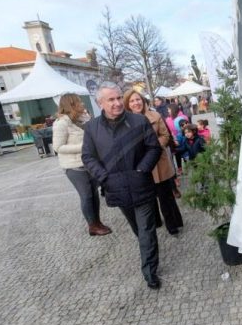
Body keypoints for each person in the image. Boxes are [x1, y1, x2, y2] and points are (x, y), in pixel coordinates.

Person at [82, 82, 163, 290]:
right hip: (115, 187)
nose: (117, 103)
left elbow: (153, 148)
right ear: (100, 103)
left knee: (146, 229)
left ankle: (150, 272)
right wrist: (104, 177)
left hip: (141, 184)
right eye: (111, 99)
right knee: (138, 229)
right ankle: (148, 250)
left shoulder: (138, 121)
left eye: (119, 98)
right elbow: (88, 157)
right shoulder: (92, 128)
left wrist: (142, 170)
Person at [124, 90, 184, 236]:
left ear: (143, 100)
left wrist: (153, 147)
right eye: (132, 101)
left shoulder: (155, 115)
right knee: (148, 197)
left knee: (166, 196)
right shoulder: (125, 122)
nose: (136, 103)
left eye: (138, 99)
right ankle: (156, 221)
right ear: (127, 104)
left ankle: (173, 224)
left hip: (159, 161)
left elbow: (165, 135)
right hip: (141, 164)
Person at [52, 93, 111, 236]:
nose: (83, 104)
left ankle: (97, 222)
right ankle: (92, 226)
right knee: (86, 196)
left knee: (94, 194)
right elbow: (57, 147)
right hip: (74, 166)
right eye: (79, 102)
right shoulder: (61, 123)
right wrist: (84, 146)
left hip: (89, 163)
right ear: (71, 104)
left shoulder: (83, 119)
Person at [166, 104, 188, 175]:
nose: (168, 111)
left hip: (184, 137)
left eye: (169, 109)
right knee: (177, 154)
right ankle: (179, 169)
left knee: (185, 151)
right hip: (175, 139)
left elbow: (187, 126)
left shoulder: (184, 117)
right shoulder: (168, 120)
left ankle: (188, 166)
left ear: (173, 110)